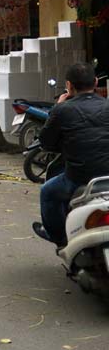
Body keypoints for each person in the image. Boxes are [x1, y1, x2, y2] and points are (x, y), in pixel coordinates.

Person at [32, 62, 109, 248]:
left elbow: (46, 142)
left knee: (47, 192)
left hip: (79, 177)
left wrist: (56, 107)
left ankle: (59, 238)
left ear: (69, 85)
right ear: (96, 82)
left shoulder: (62, 110)